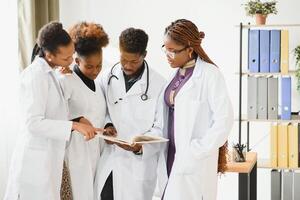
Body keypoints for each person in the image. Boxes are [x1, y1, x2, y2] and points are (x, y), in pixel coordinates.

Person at [4, 22, 103, 200]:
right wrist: (73, 125)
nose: (71, 61)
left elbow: (54, 111)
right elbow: (33, 123)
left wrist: (79, 120)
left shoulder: (51, 73)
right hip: (36, 160)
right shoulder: (35, 76)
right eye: (66, 58)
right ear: (49, 56)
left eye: (72, 55)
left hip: (52, 157)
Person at [159, 19, 234, 200]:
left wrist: (197, 150)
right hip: (170, 156)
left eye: (173, 51)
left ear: (189, 49)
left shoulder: (210, 75)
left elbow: (225, 120)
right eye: (165, 49)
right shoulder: (174, 74)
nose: (167, 55)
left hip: (192, 162)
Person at [94, 28, 166, 200]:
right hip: (111, 160)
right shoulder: (107, 77)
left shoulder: (159, 84)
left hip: (138, 166)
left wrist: (140, 145)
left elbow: (161, 127)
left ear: (144, 55)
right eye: (123, 59)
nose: (127, 65)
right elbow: (101, 108)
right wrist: (108, 124)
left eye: (133, 61)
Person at [57, 22, 112, 200]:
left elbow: (99, 113)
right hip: (74, 154)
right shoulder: (65, 80)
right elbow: (53, 115)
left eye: (99, 65)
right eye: (89, 66)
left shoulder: (98, 84)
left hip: (96, 152)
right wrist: (78, 119)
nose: (95, 71)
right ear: (76, 60)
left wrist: (108, 125)